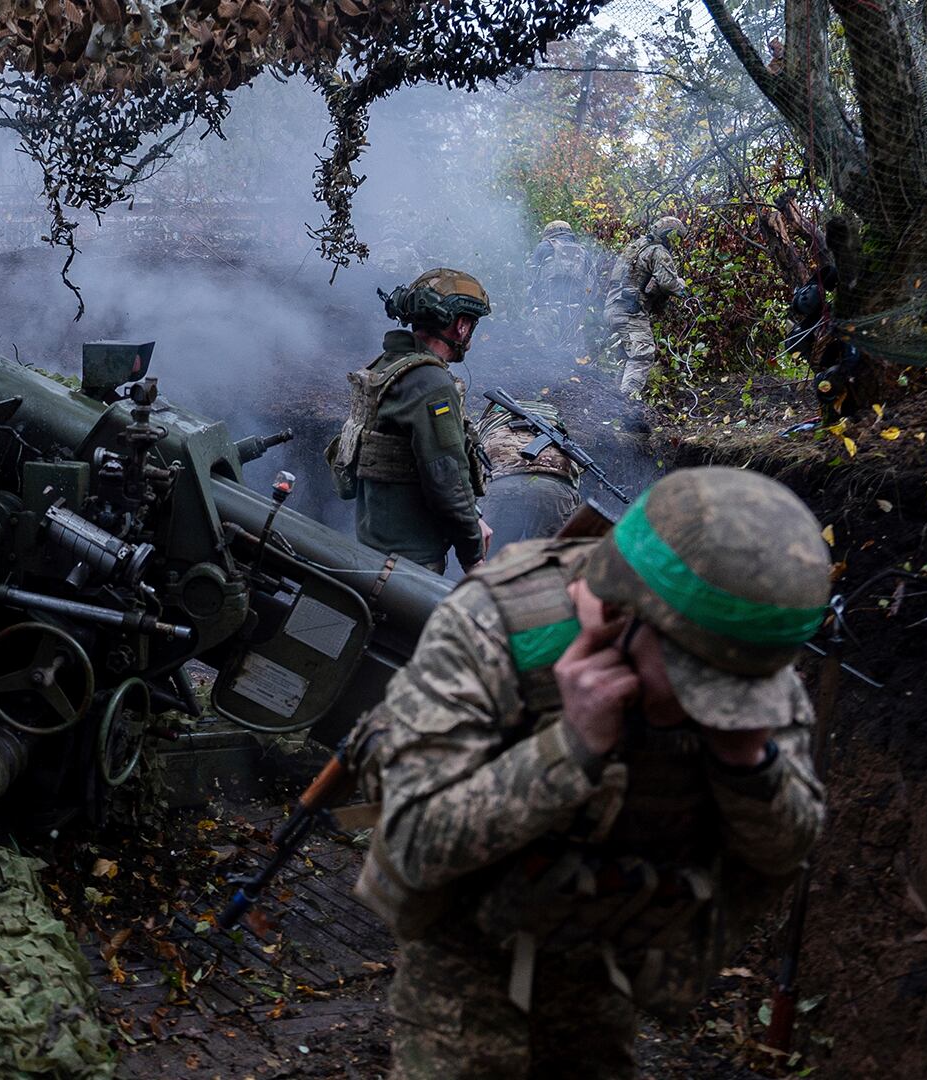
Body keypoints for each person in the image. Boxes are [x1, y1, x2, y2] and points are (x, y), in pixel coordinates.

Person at [347, 466, 829, 1078]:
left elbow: (788, 848)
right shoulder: (496, 624)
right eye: (692, 680)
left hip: (608, 958)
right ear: (623, 615)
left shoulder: (742, 644)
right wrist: (571, 748)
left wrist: (747, 764)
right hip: (464, 966)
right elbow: (413, 840)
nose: (708, 707)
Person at [326, 268, 494, 575]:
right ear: (461, 325)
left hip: (374, 548)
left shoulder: (388, 367)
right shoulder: (431, 383)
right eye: (473, 324)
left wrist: (474, 515)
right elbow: (447, 478)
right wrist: (474, 557)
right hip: (409, 564)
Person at [605, 216, 689, 429]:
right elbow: (669, 283)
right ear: (671, 236)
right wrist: (682, 286)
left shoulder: (635, 246)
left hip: (614, 307)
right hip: (631, 311)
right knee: (642, 354)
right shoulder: (658, 251)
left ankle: (613, 404)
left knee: (626, 356)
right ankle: (627, 403)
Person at [474, 397, 582, 546]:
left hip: (501, 485)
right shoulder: (560, 435)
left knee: (490, 559)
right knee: (544, 561)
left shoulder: (484, 428)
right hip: (554, 488)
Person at [526, 221, 594, 352]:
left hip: (546, 307)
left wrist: (530, 302)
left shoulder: (544, 247)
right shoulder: (584, 252)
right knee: (570, 353)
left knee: (543, 351)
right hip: (574, 310)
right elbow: (592, 283)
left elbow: (531, 277)